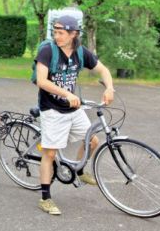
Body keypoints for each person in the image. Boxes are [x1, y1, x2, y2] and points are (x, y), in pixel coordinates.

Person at [35, 15, 114, 215]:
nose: (57, 36)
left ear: (74, 34)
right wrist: (67, 93)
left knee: (93, 141)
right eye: (55, 32)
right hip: (52, 109)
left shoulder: (80, 52)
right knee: (50, 153)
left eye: (61, 33)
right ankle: (45, 198)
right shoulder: (47, 51)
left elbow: (103, 70)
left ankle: (78, 171)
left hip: (73, 109)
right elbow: (41, 81)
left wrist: (109, 88)